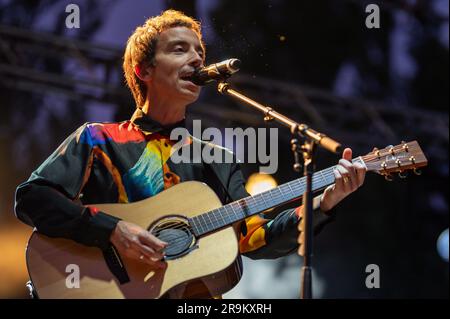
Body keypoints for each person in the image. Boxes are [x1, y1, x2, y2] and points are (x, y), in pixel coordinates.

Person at [14, 9, 366, 297]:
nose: (197, 59)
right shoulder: (97, 139)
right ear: (144, 70)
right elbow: (33, 198)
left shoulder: (217, 159)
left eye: (199, 52)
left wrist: (324, 202)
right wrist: (112, 230)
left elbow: (255, 239)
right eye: (180, 49)